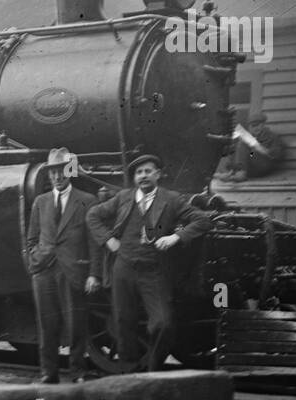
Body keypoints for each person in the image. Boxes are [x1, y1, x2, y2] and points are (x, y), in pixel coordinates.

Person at [85, 153, 212, 371]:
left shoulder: (171, 199)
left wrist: (175, 237)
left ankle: (153, 367)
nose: (143, 176)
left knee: (163, 323)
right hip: (123, 268)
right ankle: (128, 370)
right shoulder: (123, 197)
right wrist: (109, 240)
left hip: (154, 270)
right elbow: (92, 216)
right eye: (139, 172)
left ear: (158, 175)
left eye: (148, 171)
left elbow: (203, 220)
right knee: (123, 322)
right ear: (134, 177)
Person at [25, 148, 101, 384]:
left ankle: (78, 372)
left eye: (62, 171)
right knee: (47, 325)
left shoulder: (87, 201)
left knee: (76, 325)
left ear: (70, 172)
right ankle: (49, 373)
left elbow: (95, 242)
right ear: (48, 176)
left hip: (73, 270)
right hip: (44, 271)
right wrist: (35, 261)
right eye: (53, 173)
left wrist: (94, 274)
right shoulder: (40, 202)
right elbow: (31, 238)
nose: (57, 177)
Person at [222, 112, 284, 181]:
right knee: (239, 146)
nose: (255, 128)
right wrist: (251, 151)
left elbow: (277, 155)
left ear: (263, 125)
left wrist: (262, 149)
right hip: (251, 166)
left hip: (264, 165)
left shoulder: (272, 137)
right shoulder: (250, 137)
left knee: (243, 145)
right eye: (253, 126)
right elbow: (250, 154)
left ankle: (240, 173)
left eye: (258, 125)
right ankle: (232, 173)